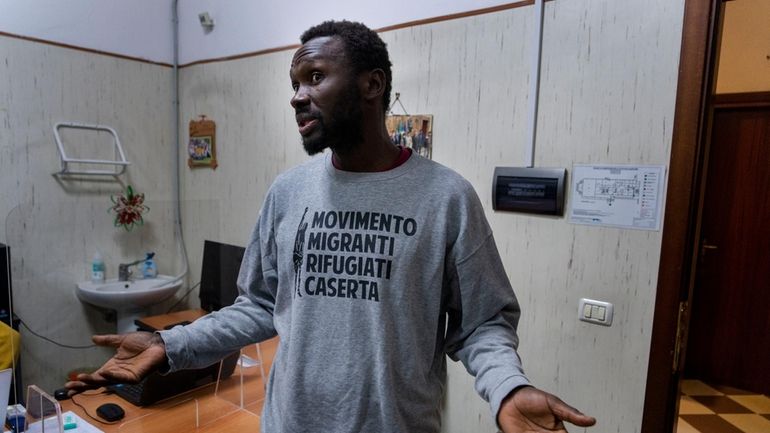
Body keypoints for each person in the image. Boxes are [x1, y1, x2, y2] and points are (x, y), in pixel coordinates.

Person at [66, 20, 596, 433]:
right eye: (295, 83)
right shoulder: (288, 192)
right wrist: (173, 345)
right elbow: (257, 305)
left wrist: (507, 388)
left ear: (372, 84)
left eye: (315, 77)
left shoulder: (447, 198)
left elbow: (481, 324)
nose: (297, 96)